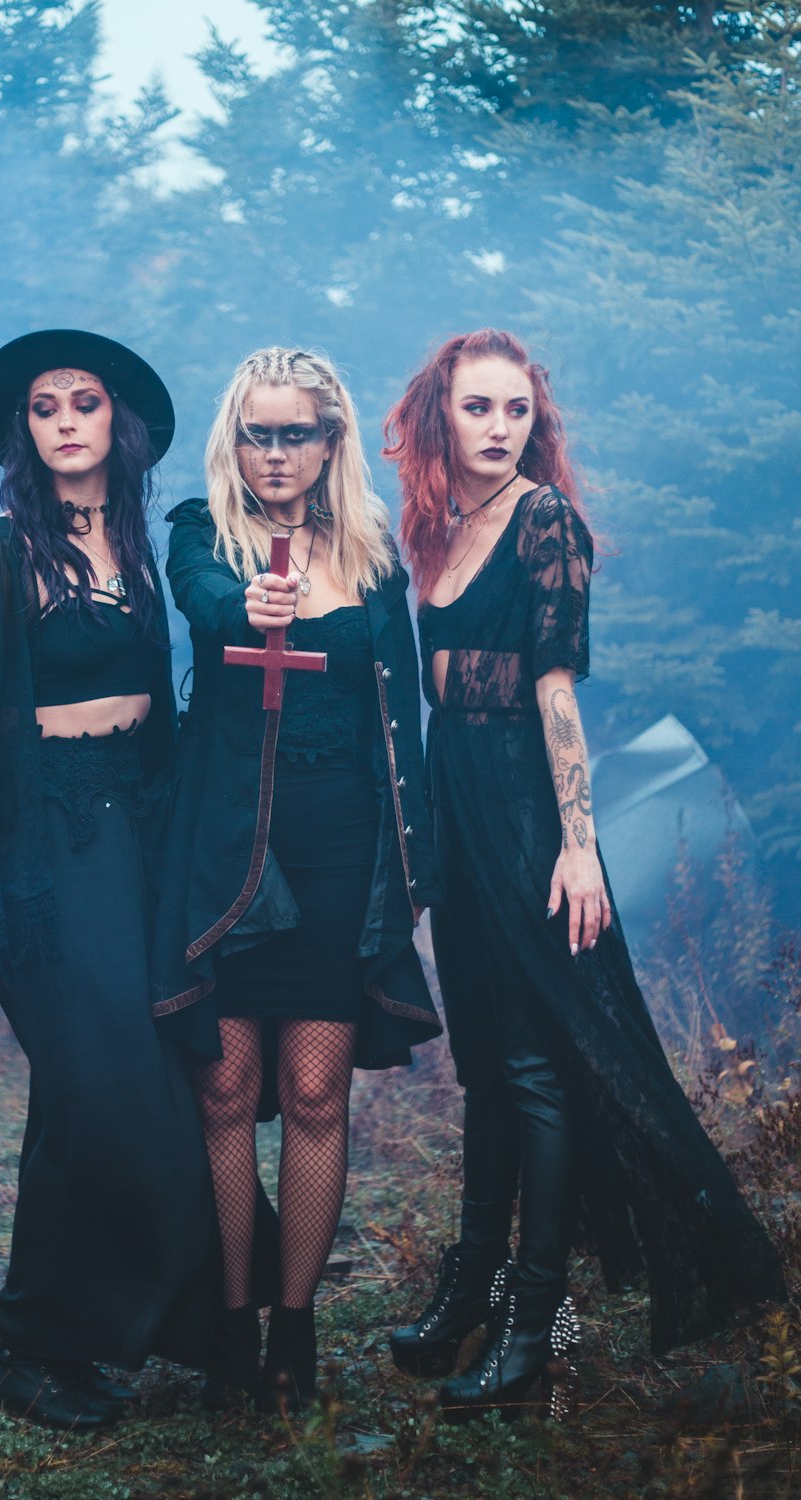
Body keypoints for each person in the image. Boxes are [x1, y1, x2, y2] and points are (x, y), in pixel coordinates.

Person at [383, 328, 785, 1422]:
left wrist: (574, 841)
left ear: (536, 421)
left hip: (523, 805)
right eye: (478, 408)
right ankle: (465, 1292)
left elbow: (556, 689)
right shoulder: (443, 524)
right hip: (457, 802)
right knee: (485, 1060)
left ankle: (530, 1328)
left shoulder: (544, 519)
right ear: (441, 414)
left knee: (535, 1066)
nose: (499, 428)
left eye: (517, 410)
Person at [0, 329, 217, 1430]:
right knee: (118, 1094)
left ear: (120, 424)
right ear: (26, 430)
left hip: (144, 841)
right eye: (46, 406)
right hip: (42, 852)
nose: (65, 420)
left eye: (86, 402)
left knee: (77, 1105)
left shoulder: (151, 550)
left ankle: (43, 1350)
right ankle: (190, 1325)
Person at [152, 346, 442, 1413]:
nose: (276, 453)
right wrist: (251, 610)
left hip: (338, 854)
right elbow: (209, 606)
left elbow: (400, 718)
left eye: (298, 432)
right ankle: (230, 1325)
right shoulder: (201, 534)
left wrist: (418, 867)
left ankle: (295, 1331)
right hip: (231, 851)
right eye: (258, 432)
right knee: (224, 1089)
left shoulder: (369, 559)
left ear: (331, 441)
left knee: (316, 1093)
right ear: (236, 439)